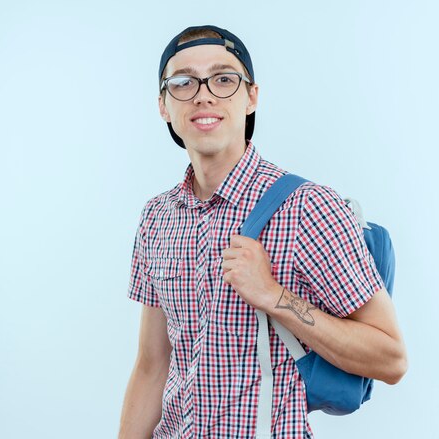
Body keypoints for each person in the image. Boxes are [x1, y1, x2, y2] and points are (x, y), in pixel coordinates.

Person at [118, 25, 408, 439]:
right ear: (163, 105)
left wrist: (273, 295)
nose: (204, 95)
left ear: (251, 97)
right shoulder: (158, 217)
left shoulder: (309, 208)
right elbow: (151, 364)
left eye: (223, 79)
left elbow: (390, 358)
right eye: (182, 82)